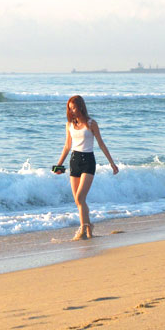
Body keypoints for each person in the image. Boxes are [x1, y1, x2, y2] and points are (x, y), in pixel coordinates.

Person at [54, 95, 119, 240]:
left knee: (80, 197)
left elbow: (101, 144)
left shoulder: (91, 124)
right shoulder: (69, 125)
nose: (72, 111)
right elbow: (66, 146)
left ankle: (83, 230)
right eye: (70, 109)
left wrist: (112, 163)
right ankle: (89, 228)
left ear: (81, 107)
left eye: (74, 108)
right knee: (78, 201)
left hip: (88, 161)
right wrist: (58, 165)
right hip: (74, 161)